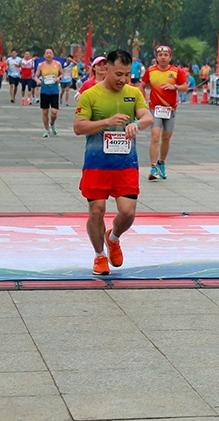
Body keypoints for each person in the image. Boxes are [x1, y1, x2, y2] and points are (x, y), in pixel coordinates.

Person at [73, 49, 152, 275]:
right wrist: (107, 121)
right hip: (96, 164)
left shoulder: (133, 93)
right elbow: (79, 127)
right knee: (96, 211)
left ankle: (114, 237)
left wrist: (137, 123)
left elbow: (147, 116)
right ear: (105, 69)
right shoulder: (90, 95)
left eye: (127, 74)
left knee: (128, 212)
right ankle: (99, 255)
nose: (123, 79)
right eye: (119, 74)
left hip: (125, 164)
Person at [141, 45, 188, 179]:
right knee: (155, 137)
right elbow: (142, 85)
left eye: (165, 55)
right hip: (155, 108)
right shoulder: (150, 71)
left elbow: (185, 87)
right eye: (160, 55)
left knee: (166, 138)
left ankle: (161, 162)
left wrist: (175, 87)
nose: (163, 57)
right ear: (156, 57)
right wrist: (141, 102)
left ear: (170, 58)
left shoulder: (176, 71)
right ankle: (153, 167)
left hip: (170, 109)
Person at [36, 49, 64, 137]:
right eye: (47, 53)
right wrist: (38, 81)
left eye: (50, 53)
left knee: (54, 111)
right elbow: (36, 76)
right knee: (45, 111)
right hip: (44, 91)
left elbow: (62, 74)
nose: (48, 55)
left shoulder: (57, 64)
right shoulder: (41, 65)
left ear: (53, 55)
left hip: (54, 91)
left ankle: (52, 123)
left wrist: (59, 78)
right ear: (44, 55)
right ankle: (46, 130)